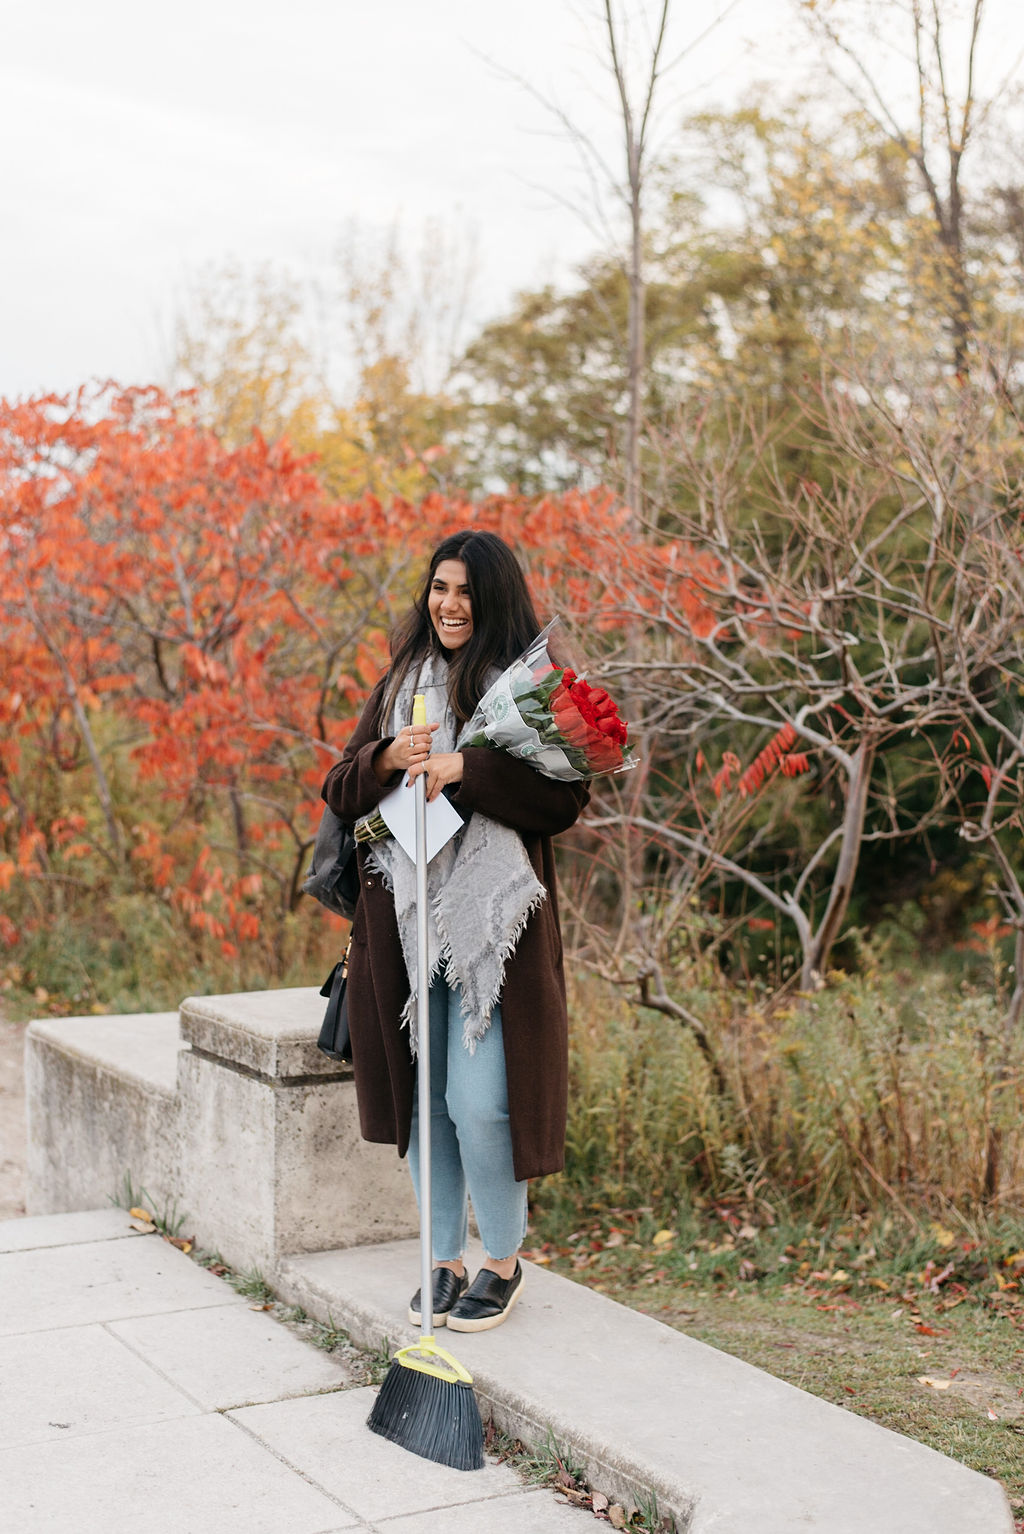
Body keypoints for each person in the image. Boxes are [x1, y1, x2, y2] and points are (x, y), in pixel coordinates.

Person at [321, 529, 587, 1332]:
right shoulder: (401, 682)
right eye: (440, 588)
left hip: (490, 937)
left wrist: (470, 768)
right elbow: (338, 789)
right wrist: (385, 759)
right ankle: (441, 1259)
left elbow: (566, 803)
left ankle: (503, 1260)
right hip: (403, 935)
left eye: (467, 591)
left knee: (481, 1104)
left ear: (495, 599)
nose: (449, 604)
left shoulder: (529, 687)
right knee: (420, 1104)